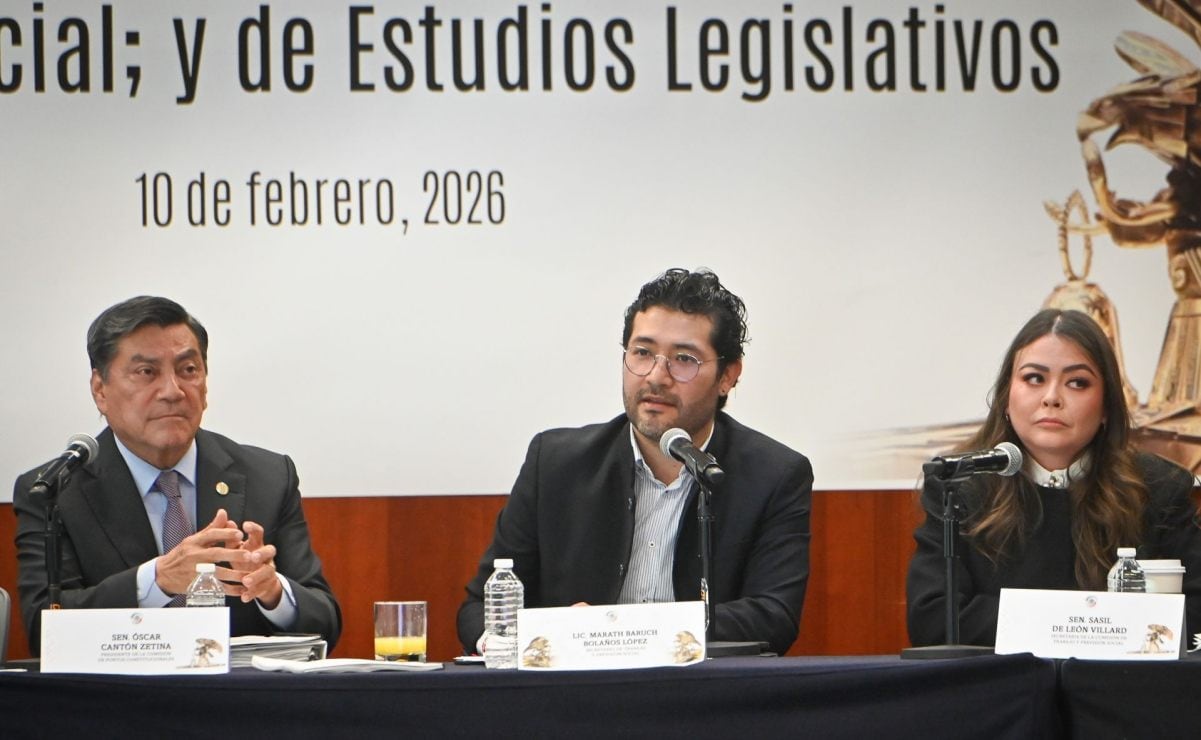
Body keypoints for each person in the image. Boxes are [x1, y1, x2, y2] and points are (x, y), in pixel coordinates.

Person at [457, 268, 813, 655]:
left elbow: (773, 616)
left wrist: (627, 630)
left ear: (728, 375)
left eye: (684, 359)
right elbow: (480, 611)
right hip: (576, 702)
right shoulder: (556, 463)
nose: (656, 377)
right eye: (642, 353)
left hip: (700, 701)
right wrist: (558, 632)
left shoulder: (773, 475)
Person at [13, 296, 342, 654]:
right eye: (146, 372)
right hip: (119, 704)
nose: (172, 391)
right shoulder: (54, 490)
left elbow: (325, 622)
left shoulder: (268, 476)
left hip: (239, 702)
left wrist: (272, 592)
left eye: (188, 370)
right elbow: (44, 632)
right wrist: (158, 580)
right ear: (100, 390)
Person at [907, 308, 1201, 646]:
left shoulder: (1158, 488)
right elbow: (932, 620)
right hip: (1004, 693)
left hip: (1115, 693)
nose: (1051, 398)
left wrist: (1033, 621)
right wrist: (1094, 625)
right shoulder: (959, 486)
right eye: (1035, 378)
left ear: (1106, 406)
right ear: (1006, 396)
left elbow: (1194, 616)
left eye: (1077, 382)